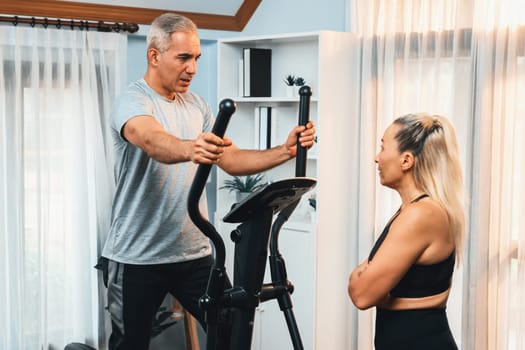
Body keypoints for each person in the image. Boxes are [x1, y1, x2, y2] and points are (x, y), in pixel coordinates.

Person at [100, 12, 316, 350]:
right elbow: (152, 140)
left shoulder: (196, 105)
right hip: (137, 256)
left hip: (194, 254)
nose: (193, 68)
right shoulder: (134, 101)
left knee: (231, 331)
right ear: (154, 56)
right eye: (184, 57)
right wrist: (191, 148)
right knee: (131, 345)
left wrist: (285, 151)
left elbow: (231, 160)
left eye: (197, 58)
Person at [347, 113, 465, 349]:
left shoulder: (420, 215)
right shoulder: (416, 209)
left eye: (383, 147)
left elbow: (360, 294)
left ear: (406, 160)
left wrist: (382, 293)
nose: (376, 158)